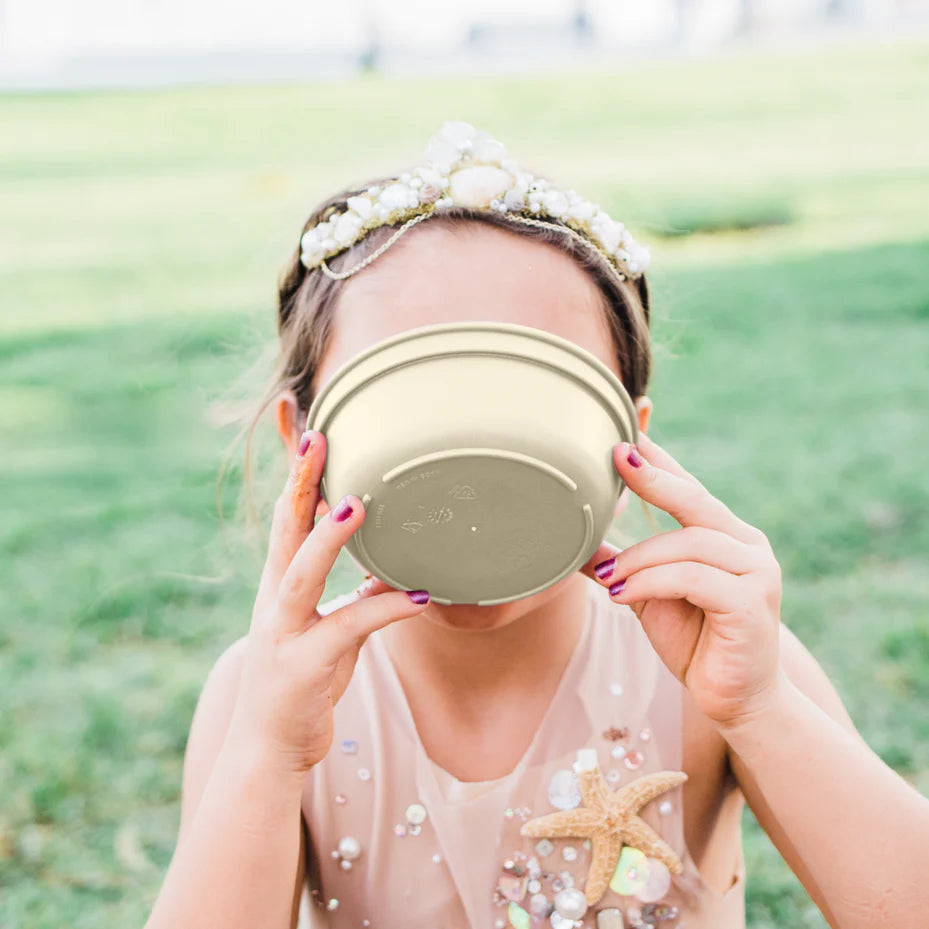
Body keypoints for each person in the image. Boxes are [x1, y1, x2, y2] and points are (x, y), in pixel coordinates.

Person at [143, 122, 929, 929]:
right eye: (408, 396)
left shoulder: (717, 667)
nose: (471, 453)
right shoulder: (265, 697)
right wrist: (268, 754)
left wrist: (763, 711)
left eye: (530, 394)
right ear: (301, 441)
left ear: (628, 441)